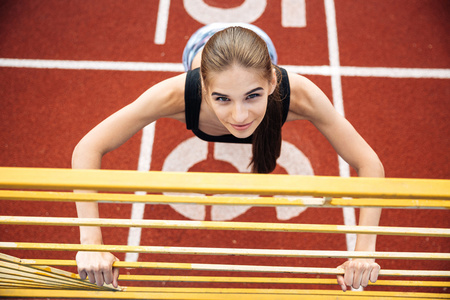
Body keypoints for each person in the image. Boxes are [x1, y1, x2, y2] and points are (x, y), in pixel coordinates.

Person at [73, 23, 384, 291]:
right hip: (200, 43)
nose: (239, 117)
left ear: (272, 82)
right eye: (222, 99)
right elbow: (88, 147)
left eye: (253, 96)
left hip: (260, 44)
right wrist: (91, 244)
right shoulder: (176, 94)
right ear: (204, 88)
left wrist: (365, 251)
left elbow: (369, 163)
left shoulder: (299, 94)